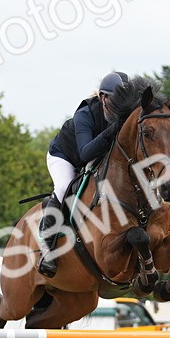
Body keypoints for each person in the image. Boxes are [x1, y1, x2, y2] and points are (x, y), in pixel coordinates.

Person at [39, 71, 129, 277]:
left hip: (94, 160)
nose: (119, 109)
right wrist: (113, 129)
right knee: (64, 187)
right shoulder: (85, 114)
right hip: (65, 157)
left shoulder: (122, 114)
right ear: (103, 98)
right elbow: (85, 152)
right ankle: (47, 244)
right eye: (115, 101)